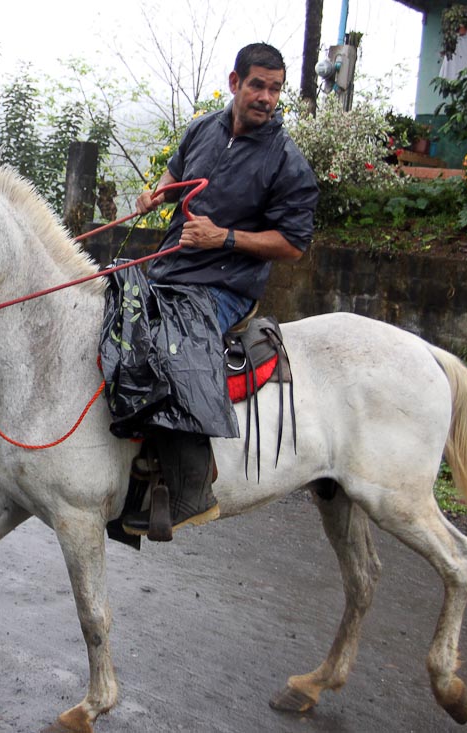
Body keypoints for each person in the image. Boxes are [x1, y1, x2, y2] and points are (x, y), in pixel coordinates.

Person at [120, 42, 319, 539]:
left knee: (175, 343)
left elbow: (293, 245)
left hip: (226, 284)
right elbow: (175, 175)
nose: (267, 97)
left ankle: (192, 488)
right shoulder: (202, 129)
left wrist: (223, 238)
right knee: (113, 309)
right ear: (235, 83)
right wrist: (154, 194)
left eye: (275, 89)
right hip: (172, 265)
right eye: (258, 85)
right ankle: (127, 459)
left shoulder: (287, 162)